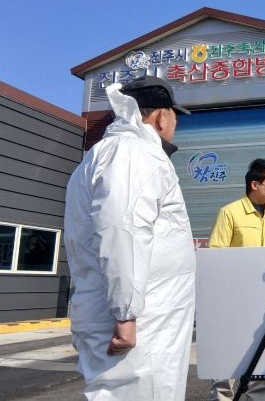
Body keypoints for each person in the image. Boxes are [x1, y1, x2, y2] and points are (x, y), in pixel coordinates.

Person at [64, 75, 195, 400]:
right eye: (175, 116)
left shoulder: (108, 153)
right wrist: (125, 314)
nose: (176, 123)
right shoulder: (135, 153)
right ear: (161, 116)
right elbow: (123, 228)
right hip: (141, 320)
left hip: (133, 313)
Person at [207, 158, 265, 401]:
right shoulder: (229, 213)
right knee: (226, 366)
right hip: (233, 303)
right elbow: (215, 257)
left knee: (261, 368)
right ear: (254, 184)